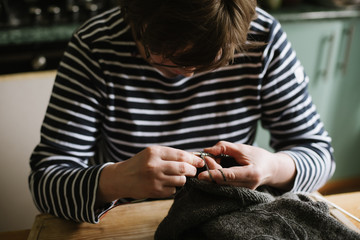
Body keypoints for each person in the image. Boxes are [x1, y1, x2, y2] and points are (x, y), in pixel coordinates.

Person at [29, 0, 335, 224]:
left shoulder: (261, 38)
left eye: (210, 62)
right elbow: (45, 181)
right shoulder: (95, 47)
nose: (189, 74)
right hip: (125, 221)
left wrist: (273, 167)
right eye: (171, 59)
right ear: (137, 18)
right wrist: (117, 180)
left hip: (227, 221)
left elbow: (319, 154)